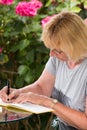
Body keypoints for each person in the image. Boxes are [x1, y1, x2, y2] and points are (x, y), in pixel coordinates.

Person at [0, 11, 87, 130]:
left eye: (57, 50)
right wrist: (18, 93)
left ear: (75, 46)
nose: (51, 54)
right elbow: (42, 87)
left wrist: (48, 102)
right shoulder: (58, 59)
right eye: (50, 48)